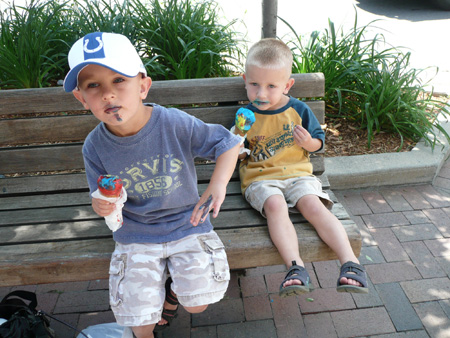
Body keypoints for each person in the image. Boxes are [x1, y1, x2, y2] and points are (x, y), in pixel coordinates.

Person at [63, 32, 241, 337]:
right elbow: (105, 196)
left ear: (143, 86)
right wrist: (103, 204)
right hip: (137, 234)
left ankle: (171, 289)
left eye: (119, 80)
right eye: (93, 85)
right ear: (81, 98)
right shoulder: (94, 147)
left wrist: (218, 185)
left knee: (198, 303)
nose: (108, 94)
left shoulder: (172, 123)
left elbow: (228, 142)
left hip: (187, 222)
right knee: (140, 321)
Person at [239, 38, 368, 297]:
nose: (260, 94)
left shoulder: (299, 110)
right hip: (261, 178)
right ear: (244, 79)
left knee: (312, 204)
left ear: (287, 85)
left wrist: (308, 142)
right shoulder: (245, 115)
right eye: (254, 84)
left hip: (298, 174)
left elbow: (318, 142)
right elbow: (238, 148)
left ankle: (350, 263)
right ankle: (295, 268)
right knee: (275, 205)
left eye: (271, 86)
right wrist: (239, 149)